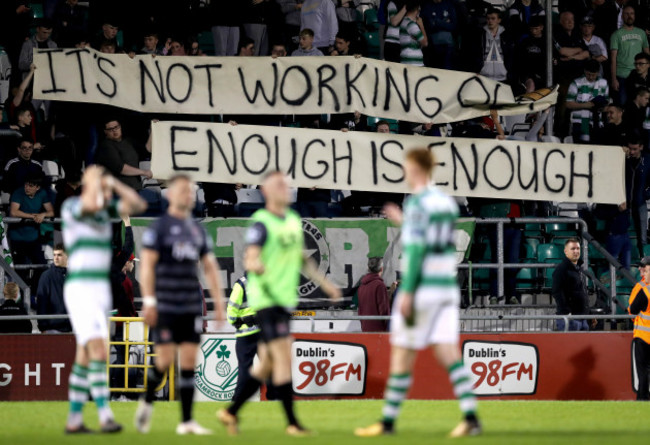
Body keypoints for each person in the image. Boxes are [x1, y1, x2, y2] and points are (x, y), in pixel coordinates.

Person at [355, 148, 480, 438]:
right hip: (446, 287)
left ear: (416, 169)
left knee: (401, 355)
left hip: (423, 288)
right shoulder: (446, 204)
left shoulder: (418, 204)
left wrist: (407, 292)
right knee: (449, 353)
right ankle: (471, 416)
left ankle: (387, 423)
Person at [217, 170, 341, 436]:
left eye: (286, 185)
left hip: (283, 301)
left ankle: (230, 412)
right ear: (266, 191)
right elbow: (251, 257)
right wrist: (257, 266)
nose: (285, 189)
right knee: (282, 358)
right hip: (267, 301)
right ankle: (293, 425)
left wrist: (324, 282)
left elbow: (301, 257)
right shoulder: (262, 222)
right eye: (279, 185)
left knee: (268, 365)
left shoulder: (293, 220)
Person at [134, 174, 225, 435]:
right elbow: (147, 267)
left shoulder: (197, 230)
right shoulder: (159, 228)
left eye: (192, 191)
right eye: (185, 190)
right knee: (163, 361)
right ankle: (147, 402)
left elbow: (210, 267)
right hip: (165, 304)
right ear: (171, 194)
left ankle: (186, 422)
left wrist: (218, 303)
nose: (189, 195)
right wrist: (149, 300)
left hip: (190, 304)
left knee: (188, 362)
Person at [62, 165, 147, 434]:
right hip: (81, 286)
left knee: (86, 356)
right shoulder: (72, 208)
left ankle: (75, 420)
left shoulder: (102, 213)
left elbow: (137, 203)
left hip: (98, 290)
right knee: (97, 350)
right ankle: (104, 416)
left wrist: (113, 182)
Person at [227, 274, 264, 401]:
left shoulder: (242, 284)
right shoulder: (266, 282)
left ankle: (237, 399)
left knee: (247, 368)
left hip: (250, 334)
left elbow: (231, 311)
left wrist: (237, 322)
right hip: (255, 334)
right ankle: (275, 397)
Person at [94, 118, 153, 193]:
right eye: (110, 129)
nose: (114, 130)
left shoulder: (129, 141)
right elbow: (121, 168)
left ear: (120, 127)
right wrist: (143, 172)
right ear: (105, 132)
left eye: (116, 127)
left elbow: (146, 151)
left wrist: (153, 130)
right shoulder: (106, 146)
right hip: (118, 192)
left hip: (135, 189)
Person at [610, 5, 650, 104]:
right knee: (622, 105)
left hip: (639, 76)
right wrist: (614, 79)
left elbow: (647, 54)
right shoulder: (616, 34)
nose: (629, 16)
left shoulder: (641, 33)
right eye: (626, 14)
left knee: (639, 105)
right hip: (622, 76)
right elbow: (613, 59)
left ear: (635, 16)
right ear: (622, 16)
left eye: (632, 13)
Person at [566, 59, 610, 143]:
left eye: (593, 75)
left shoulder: (604, 83)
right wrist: (586, 105)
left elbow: (607, 103)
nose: (590, 77)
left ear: (597, 72)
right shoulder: (576, 83)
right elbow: (568, 103)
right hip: (578, 122)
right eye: (588, 74)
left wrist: (600, 107)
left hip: (596, 123)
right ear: (584, 71)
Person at [551, 238, 590, 332]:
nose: (576, 251)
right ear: (565, 251)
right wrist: (566, 312)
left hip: (583, 318)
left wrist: (589, 314)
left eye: (578, 248)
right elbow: (557, 292)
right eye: (573, 249)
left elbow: (583, 292)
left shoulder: (580, 269)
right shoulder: (561, 269)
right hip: (569, 319)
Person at [36, 243, 72, 333]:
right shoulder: (46, 276)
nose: (56, 258)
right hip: (52, 329)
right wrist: (43, 327)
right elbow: (41, 303)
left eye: (59, 255)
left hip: (72, 328)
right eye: (54, 255)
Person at [625, 133, 650, 258]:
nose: (632, 151)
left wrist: (646, 194)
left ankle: (643, 260)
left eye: (635, 149)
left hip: (640, 203)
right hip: (625, 204)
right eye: (630, 148)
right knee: (621, 234)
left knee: (643, 237)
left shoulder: (648, 160)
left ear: (641, 147)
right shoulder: (624, 159)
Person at [628, 261, 650, 400]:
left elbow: (632, 310)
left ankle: (643, 398)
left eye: (646, 270)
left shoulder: (644, 290)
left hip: (643, 336)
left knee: (643, 371)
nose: (642, 272)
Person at [476, 8, 513, 83]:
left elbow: (511, 55)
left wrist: (508, 72)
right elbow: (476, 54)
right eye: (488, 18)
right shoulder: (480, 35)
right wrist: (478, 70)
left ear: (499, 20)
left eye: (493, 18)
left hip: (503, 77)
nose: (490, 21)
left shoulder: (506, 35)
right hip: (484, 77)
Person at [357, 257, 393, 332]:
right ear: (381, 269)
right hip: (378, 331)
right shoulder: (379, 285)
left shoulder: (362, 285)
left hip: (365, 328)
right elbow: (383, 310)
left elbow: (360, 309)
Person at [399, 1, 427, 66]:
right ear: (417, 10)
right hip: (413, 62)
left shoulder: (404, 22)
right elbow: (425, 42)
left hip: (406, 60)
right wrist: (421, 26)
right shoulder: (411, 25)